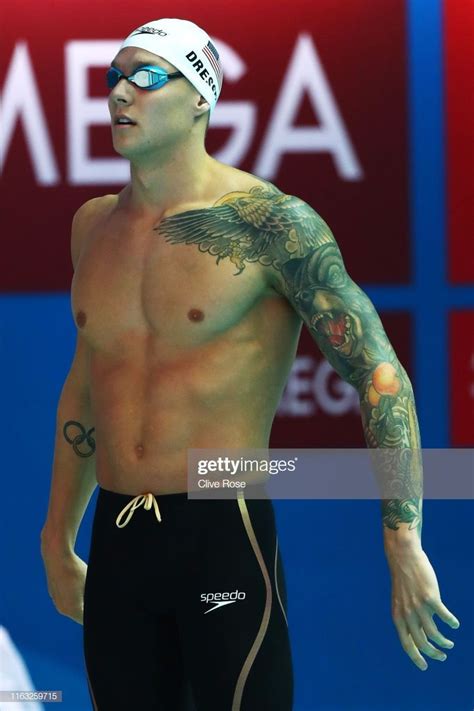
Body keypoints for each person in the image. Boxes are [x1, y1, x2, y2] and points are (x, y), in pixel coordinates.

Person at [40, 16, 460, 711]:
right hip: (118, 542)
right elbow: (86, 388)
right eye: (113, 77)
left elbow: (379, 374)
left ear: (200, 97)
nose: (119, 94)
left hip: (220, 528)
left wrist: (402, 536)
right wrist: (58, 533)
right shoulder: (93, 228)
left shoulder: (272, 225)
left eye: (145, 77)